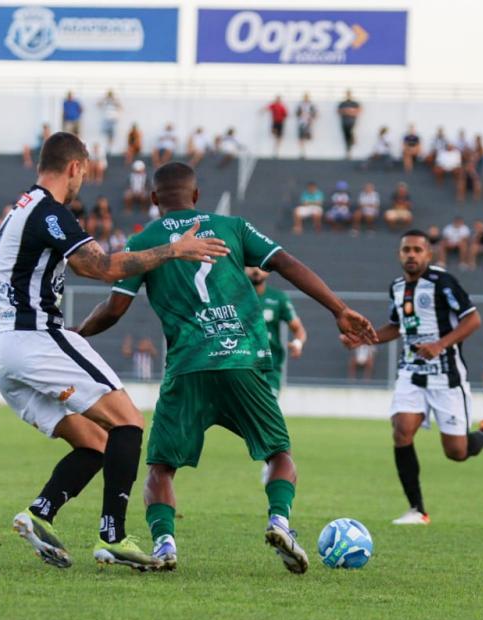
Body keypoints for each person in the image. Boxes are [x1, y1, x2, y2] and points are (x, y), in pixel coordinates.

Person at [75, 161, 377, 572]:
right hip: (243, 361)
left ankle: (165, 545)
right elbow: (287, 263)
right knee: (278, 453)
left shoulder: (143, 242)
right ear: (196, 196)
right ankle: (279, 522)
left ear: (153, 199)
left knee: (162, 467)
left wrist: (76, 334)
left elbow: (114, 310)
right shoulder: (233, 227)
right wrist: (339, 310)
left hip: (188, 367)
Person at [0, 133, 229, 571]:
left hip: (0, 351)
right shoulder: (48, 211)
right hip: (32, 336)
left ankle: (40, 514)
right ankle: (113, 536)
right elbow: (98, 266)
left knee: (98, 442)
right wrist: (175, 250)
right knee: (129, 422)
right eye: (86, 170)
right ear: (75, 168)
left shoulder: (19, 210)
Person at [342, 230, 483, 525]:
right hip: (412, 372)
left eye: (418, 250)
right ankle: (417, 510)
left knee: (456, 452)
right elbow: (397, 326)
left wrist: (440, 345)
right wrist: (366, 339)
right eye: (406, 249)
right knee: (401, 430)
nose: (411, 255)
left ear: (428, 255)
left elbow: (473, 319)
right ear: (399, 254)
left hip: (446, 377)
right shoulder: (395, 287)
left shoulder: (442, 282)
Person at [248, 268, 307, 397]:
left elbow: (298, 329)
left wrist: (298, 343)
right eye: (251, 265)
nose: (256, 270)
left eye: (260, 266)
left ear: (268, 270)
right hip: (241, 365)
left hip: (270, 367)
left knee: (265, 411)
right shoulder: (232, 297)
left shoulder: (278, 298)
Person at [337, 89, 361, 158]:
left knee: (350, 132)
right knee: (346, 136)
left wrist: (349, 112)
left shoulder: (354, 103)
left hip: (351, 121)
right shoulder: (343, 103)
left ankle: (352, 142)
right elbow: (339, 111)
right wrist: (348, 111)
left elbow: (358, 111)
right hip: (344, 122)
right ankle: (349, 148)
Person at [296, 93, 317, 158]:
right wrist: (301, 114)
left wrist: (311, 119)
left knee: (308, 137)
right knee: (301, 137)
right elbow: (297, 113)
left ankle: (309, 152)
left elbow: (314, 114)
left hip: (308, 123)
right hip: (301, 123)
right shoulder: (300, 105)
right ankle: (302, 152)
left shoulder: (311, 105)